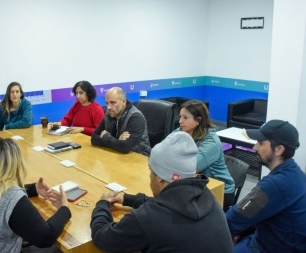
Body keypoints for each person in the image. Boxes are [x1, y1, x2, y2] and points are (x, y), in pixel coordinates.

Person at [90, 131, 233, 253]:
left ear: (159, 178)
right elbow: (172, 205)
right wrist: (129, 199)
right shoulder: (207, 196)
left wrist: (102, 204)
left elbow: (102, 237)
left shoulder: (148, 218)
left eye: (151, 172)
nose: (150, 176)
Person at [226, 120, 306, 253]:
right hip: (273, 238)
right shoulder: (295, 173)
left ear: (279, 149)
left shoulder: (274, 185)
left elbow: (231, 221)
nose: (255, 148)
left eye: (261, 143)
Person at [176, 100, 235, 210]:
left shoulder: (212, 142)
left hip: (219, 189)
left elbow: (192, 166)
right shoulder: (182, 131)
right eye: (180, 117)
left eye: (185, 118)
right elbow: (162, 149)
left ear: (198, 120)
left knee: (176, 203)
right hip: (195, 183)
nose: (180, 121)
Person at [91, 87, 151, 156]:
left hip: (139, 158)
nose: (108, 107)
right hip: (117, 154)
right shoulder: (109, 113)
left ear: (124, 102)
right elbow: (94, 138)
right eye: (107, 103)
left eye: (113, 102)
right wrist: (117, 141)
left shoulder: (136, 117)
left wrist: (106, 137)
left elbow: (125, 147)